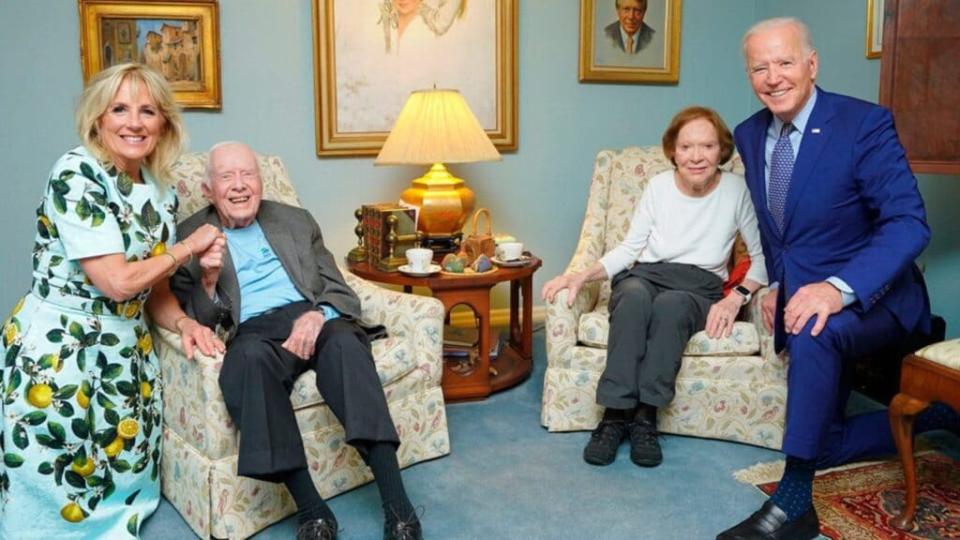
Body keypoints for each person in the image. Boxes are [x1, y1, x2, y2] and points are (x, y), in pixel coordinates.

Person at [716, 18, 959, 540]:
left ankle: (794, 503)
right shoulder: (749, 133)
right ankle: (937, 416)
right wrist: (775, 283)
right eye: (760, 67)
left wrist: (837, 288)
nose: (773, 77)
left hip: (877, 298)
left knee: (813, 333)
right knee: (820, 440)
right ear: (749, 74)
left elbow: (908, 223)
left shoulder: (863, 124)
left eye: (784, 62)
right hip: (802, 296)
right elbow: (781, 231)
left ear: (811, 64)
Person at [0, 63, 224, 538]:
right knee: (56, 492)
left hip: (126, 352)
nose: (134, 122)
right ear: (97, 119)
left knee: (120, 484)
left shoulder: (161, 190)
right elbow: (120, 283)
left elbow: (155, 292)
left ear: (164, 122)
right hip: (63, 351)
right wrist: (189, 246)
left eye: (148, 111)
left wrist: (185, 325)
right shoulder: (75, 172)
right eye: (119, 109)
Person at [170, 141, 423, 540]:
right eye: (226, 177)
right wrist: (208, 279)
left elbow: (341, 290)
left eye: (247, 174)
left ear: (261, 181)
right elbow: (200, 320)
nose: (239, 186)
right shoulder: (188, 237)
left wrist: (317, 315)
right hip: (254, 332)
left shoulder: (296, 220)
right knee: (247, 363)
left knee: (346, 348)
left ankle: (399, 508)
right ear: (208, 191)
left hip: (314, 315)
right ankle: (313, 511)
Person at [541, 106, 768, 469]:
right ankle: (615, 416)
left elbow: (762, 257)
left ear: (721, 151)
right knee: (630, 296)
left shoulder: (736, 189)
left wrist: (736, 298)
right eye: (687, 147)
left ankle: (646, 418)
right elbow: (631, 248)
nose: (696, 157)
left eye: (707, 146)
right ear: (673, 152)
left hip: (698, 285)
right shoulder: (659, 186)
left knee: (672, 307)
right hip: (646, 273)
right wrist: (582, 275)